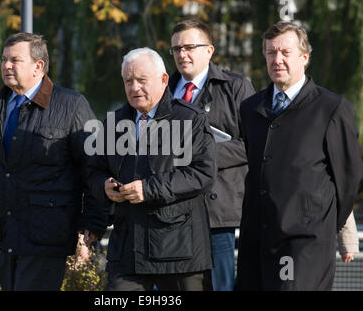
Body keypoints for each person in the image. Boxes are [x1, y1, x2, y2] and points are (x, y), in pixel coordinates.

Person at [0, 33, 108, 291]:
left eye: (15, 60)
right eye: (4, 60)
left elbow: (95, 165)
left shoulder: (70, 105)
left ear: (38, 66)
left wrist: (92, 222)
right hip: (5, 230)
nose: (6, 66)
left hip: (47, 232)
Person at [236, 21, 362, 291]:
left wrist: (319, 222)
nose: (277, 60)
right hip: (255, 240)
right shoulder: (250, 109)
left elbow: (348, 180)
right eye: (271, 53)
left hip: (303, 243)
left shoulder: (331, 108)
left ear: (304, 57)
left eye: (285, 52)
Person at [86, 47, 217, 291]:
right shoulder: (113, 123)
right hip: (128, 251)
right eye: (128, 81)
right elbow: (94, 171)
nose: (134, 88)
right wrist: (103, 187)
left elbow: (202, 173)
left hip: (179, 253)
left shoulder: (189, 119)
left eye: (141, 80)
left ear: (163, 79)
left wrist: (148, 189)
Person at [168, 19, 255, 291]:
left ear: (209, 50)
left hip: (217, 212)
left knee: (220, 286)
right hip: (170, 209)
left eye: (190, 47)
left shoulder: (236, 87)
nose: (183, 54)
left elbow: (255, 145)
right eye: (176, 49)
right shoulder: (162, 90)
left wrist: (203, 153)